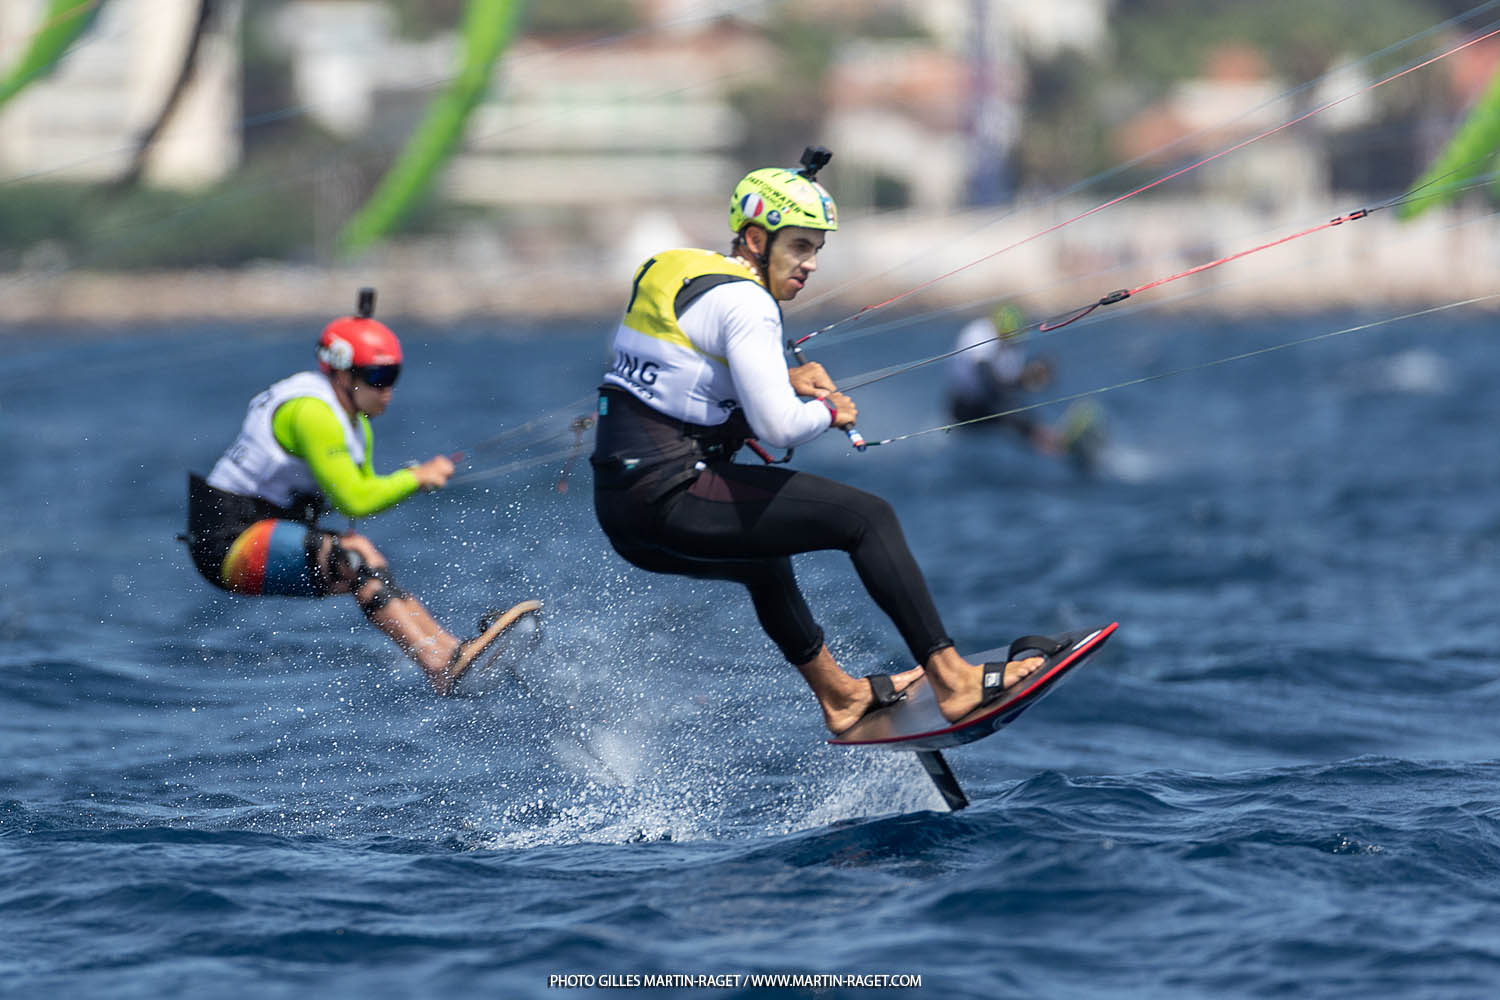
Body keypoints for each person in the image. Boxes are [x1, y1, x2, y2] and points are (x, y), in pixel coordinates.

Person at [589, 147, 1049, 735]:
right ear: (756, 239)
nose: (810, 264)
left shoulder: (669, 268)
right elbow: (781, 429)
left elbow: (679, 371)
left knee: (762, 557)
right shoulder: (749, 304)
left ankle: (842, 697)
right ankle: (954, 679)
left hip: (622, 507)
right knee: (868, 519)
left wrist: (779, 378)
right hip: (672, 497)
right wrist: (828, 410)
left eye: (817, 250)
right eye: (800, 246)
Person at [184, 289, 541, 695]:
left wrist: (412, 478)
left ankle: (451, 652)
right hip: (226, 542)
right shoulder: (313, 413)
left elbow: (359, 491)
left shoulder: (356, 422)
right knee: (350, 559)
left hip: (267, 529)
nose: (386, 391)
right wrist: (416, 478)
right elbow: (355, 500)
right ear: (341, 374)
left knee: (364, 558)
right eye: (376, 378)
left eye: (393, 377)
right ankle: (440, 665)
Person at [946, 303, 1061, 453]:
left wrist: (1032, 376)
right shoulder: (979, 333)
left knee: (1019, 412)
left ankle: (1051, 442)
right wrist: (1021, 383)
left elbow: (1008, 382)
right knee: (1013, 414)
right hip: (965, 405)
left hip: (988, 401)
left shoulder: (1011, 345)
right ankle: (1048, 442)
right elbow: (987, 377)